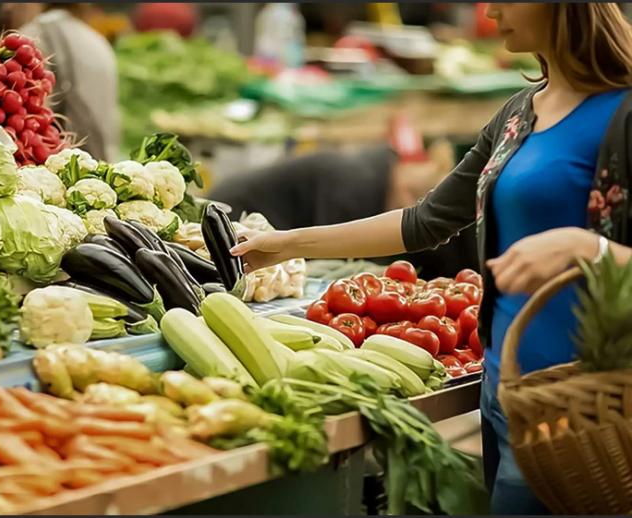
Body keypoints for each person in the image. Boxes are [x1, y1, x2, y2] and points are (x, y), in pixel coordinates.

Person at [232, 4, 632, 515]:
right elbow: (424, 221)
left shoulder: (623, 113)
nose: (490, 11)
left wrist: (589, 248)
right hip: (507, 391)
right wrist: (287, 243)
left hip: (596, 405)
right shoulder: (518, 115)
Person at [209, 141, 480, 280]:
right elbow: (332, 257)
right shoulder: (352, 185)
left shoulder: (371, 173)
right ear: (408, 190)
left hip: (265, 232)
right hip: (231, 221)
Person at [2, 3, 120, 162]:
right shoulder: (95, 39)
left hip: (65, 171)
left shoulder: (35, 38)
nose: (7, 7)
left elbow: (25, 129)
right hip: (99, 165)